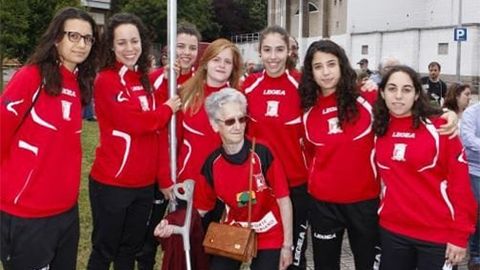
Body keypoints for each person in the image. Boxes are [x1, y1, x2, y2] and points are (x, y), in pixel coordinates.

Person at [299, 39, 459, 270]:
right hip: (323, 205)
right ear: (310, 72)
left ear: (342, 66)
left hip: (365, 203)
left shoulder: (368, 98)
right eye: (318, 66)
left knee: (368, 264)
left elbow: (407, 109)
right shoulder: (307, 107)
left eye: (331, 64)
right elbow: (312, 153)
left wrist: (446, 114)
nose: (325, 72)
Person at [0, 7, 99, 270]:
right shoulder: (31, 76)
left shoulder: (78, 83)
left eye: (87, 38)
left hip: (66, 212)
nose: (81, 44)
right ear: (57, 38)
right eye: (73, 36)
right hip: (27, 214)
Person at [156, 88, 294, 270]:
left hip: (270, 233)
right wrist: (171, 223)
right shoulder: (213, 163)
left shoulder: (263, 152)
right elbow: (200, 210)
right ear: (215, 125)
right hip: (234, 230)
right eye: (229, 121)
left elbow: (284, 200)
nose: (237, 126)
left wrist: (287, 246)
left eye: (241, 119)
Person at [87, 13, 181, 270]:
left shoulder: (142, 79)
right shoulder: (107, 79)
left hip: (143, 186)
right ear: (111, 46)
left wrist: (163, 179)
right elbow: (137, 123)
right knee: (105, 249)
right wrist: (167, 109)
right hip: (113, 182)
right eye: (122, 43)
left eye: (135, 41)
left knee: (130, 248)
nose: (130, 48)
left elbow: (157, 132)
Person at [372, 65, 477, 270]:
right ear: (382, 93)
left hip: (437, 236)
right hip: (393, 232)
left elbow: (461, 186)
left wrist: (460, 235)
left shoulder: (441, 128)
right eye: (392, 89)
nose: (399, 96)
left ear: (417, 93)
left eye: (407, 89)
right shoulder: (378, 128)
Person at [242, 25, 310, 270]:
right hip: (262, 186)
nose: (273, 56)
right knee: (261, 254)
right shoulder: (248, 86)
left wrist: (369, 91)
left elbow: (338, 97)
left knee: (293, 256)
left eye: (279, 50)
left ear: (289, 52)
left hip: (296, 184)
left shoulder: (303, 85)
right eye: (267, 50)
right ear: (259, 52)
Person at [136, 22, 202, 270]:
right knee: (149, 236)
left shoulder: (199, 82)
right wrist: (165, 79)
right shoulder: (155, 79)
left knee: (182, 234)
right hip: (156, 171)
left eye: (192, 48)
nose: (186, 52)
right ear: (168, 49)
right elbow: (152, 126)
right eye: (180, 46)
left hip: (186, 173)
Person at [175, 38, 243, 214]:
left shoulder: (238, 99)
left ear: (233, 68)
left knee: (215, 240)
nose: (221, 65)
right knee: (187, 239)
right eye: (216, 59)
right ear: (205, 63)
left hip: (221, 186)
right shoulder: (186, 92)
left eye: (227, 62)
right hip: (188, 183)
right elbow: (175, 140)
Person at [460, 101, 480, 270]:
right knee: (477, 215)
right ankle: (475, 255)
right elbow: (468, 139)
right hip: (475, 171)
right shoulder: (472, 113)